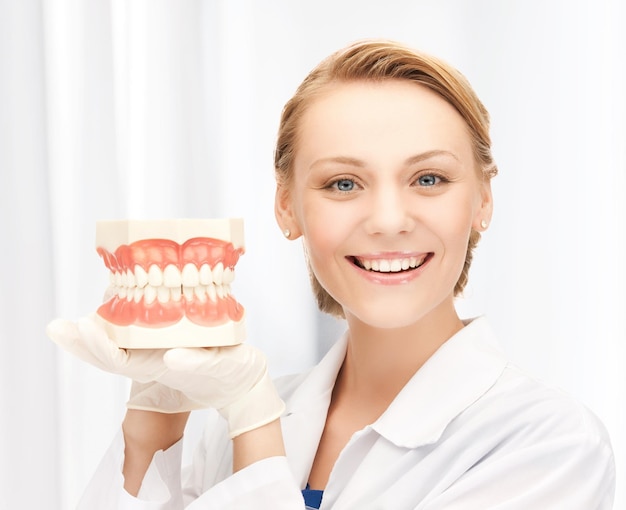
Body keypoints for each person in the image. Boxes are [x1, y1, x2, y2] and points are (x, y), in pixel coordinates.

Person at [47, 39, 616, 509]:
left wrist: (254, 422)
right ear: (287, 206)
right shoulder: (220, 430)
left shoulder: (549, 446)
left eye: (429, 180)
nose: (389, 221)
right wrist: (154, 419)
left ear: (483, 200)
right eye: (343, 183)